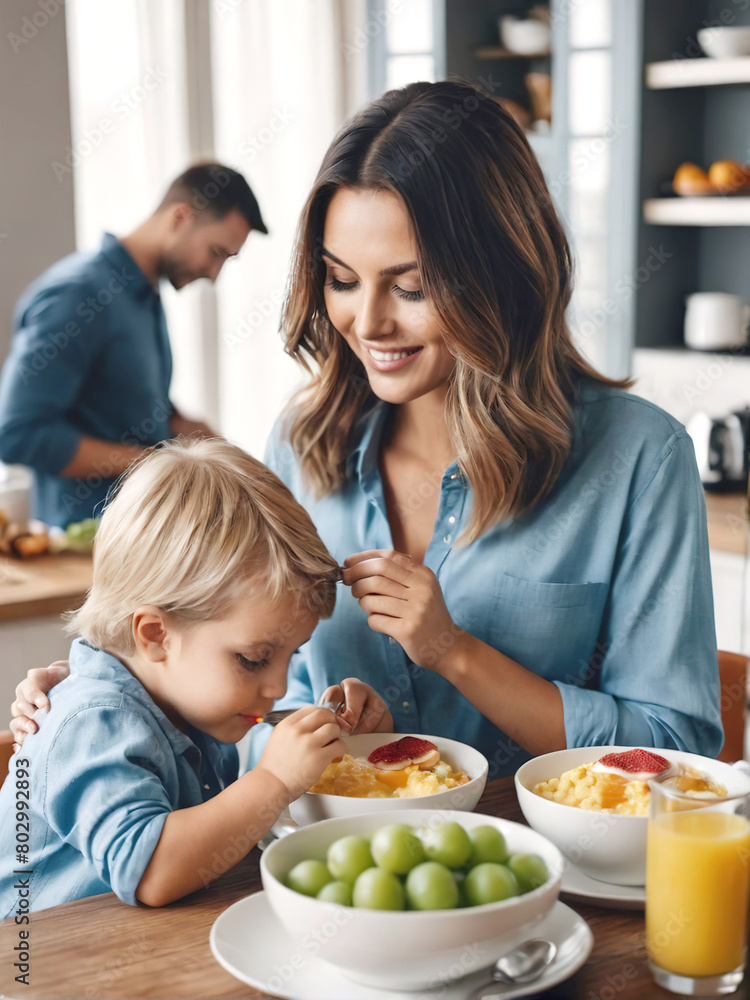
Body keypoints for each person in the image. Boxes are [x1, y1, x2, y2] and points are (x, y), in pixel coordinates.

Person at [10, 80, 723, 779]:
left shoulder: (639, 460)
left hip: (549, 884)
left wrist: (455, 652)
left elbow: (674, 750)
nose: (369, 322)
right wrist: (99, 695)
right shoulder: (300, 442)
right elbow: (236, 706)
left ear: (504, 273)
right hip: (319, 876)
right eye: (342, 280)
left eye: (411, 287)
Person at [0, 437, 391, 917]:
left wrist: (337, 746)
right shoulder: (93, 722)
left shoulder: (187, 703)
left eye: (292, 656)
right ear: (156, 635)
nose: (280, 687)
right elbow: (154, 873)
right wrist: (274, 778)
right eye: (253, 659)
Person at [0, 162, 267, 528]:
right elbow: (17, 434)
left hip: (142, 540)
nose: (213, 273)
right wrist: (154, 462)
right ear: (181, 217)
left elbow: (124, 410)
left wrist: (204, 440)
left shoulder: (143, 297)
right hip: (88, 552)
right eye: (216, 252)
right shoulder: (78, 294)